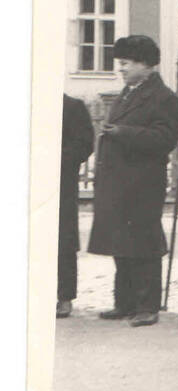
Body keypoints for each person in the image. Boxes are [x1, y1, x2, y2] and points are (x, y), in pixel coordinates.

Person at [88, 35, 178, 327]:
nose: (121, 69)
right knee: (121, 243)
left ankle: (147, 306)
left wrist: (123, 133)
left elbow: (165, 139)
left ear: (145, 65)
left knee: (143, 245)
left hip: (142, 185)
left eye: (126, 63)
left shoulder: (164, 98)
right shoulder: (127, 93)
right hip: (119, 184)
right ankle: (125, 302)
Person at [58, 94, 94, 319]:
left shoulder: (71, 106)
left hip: (59, 185)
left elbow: (84, 145)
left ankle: (63, 297)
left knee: (62, 240)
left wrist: (51, 158)